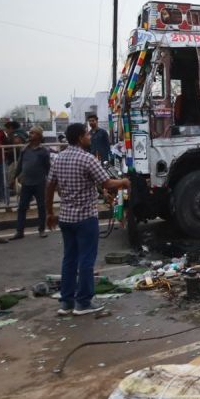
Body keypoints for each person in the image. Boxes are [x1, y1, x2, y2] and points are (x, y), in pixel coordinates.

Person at [46, 123, 130, 316]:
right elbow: (107, 182)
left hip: (66, 217)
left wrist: (50, 212)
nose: (89, 137)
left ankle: (66, 302)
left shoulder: (59, 159)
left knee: (69, 259)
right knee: (86, 260)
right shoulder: (87, 158)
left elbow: (49, 186)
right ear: (79, 138)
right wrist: (124, 182)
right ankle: (83, 302)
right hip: (85, 218)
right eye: (86, 135)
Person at [10, 126, 51, 240]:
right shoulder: (24, 149)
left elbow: (48, 168)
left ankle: (41, 229)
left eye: (33, 133)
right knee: (22, 207)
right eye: (30, 133)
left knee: (41, 207)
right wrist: (14, 178)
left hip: (39, 183)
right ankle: (19, 231)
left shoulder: (43, 151)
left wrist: (51, 182)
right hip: (26, 183)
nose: (30, 134)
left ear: (38, 136)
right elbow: (19, 165)